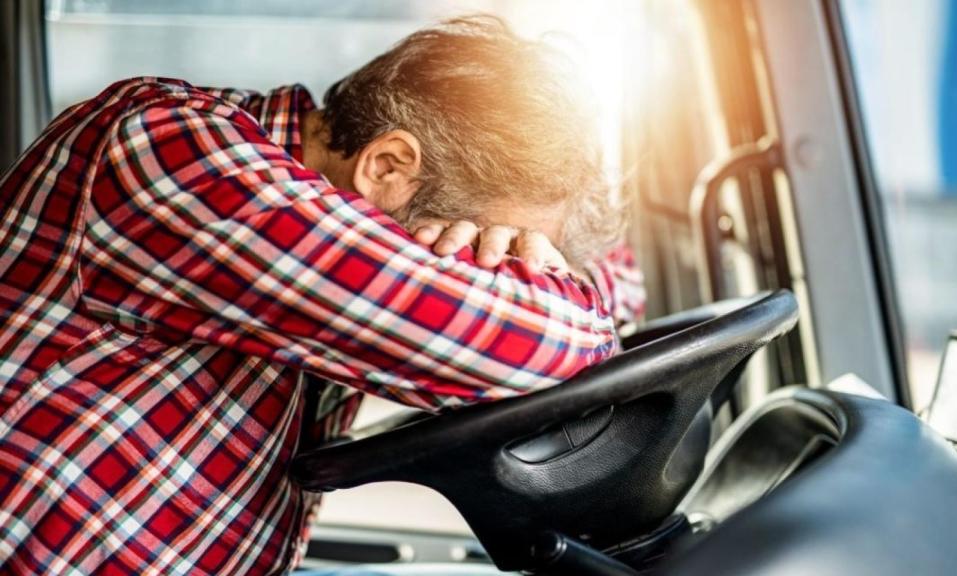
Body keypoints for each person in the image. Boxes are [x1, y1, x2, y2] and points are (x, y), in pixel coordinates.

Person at [0, 17, 644, 574]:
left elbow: (622, 286)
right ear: (387, 166)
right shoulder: (170, 147)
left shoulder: (339, 223)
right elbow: (536, 351)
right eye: (483, 259)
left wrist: (541, 269)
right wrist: (551, 301)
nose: (491, 275)